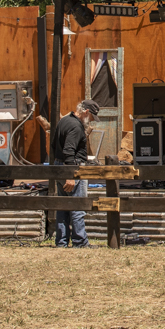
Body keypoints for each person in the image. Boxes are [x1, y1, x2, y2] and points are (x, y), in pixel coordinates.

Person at [52, 99, 100, 247]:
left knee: (63, 206)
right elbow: (69, 151)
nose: (90, 121)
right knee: (77, 206)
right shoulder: (76, 127)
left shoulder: (64, 121)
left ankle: (62, 241)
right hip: (73, 168)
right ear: (86, 112)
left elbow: (55, 145)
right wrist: (71, 174)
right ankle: (80, 241)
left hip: (59, 166)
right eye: (91, 117)